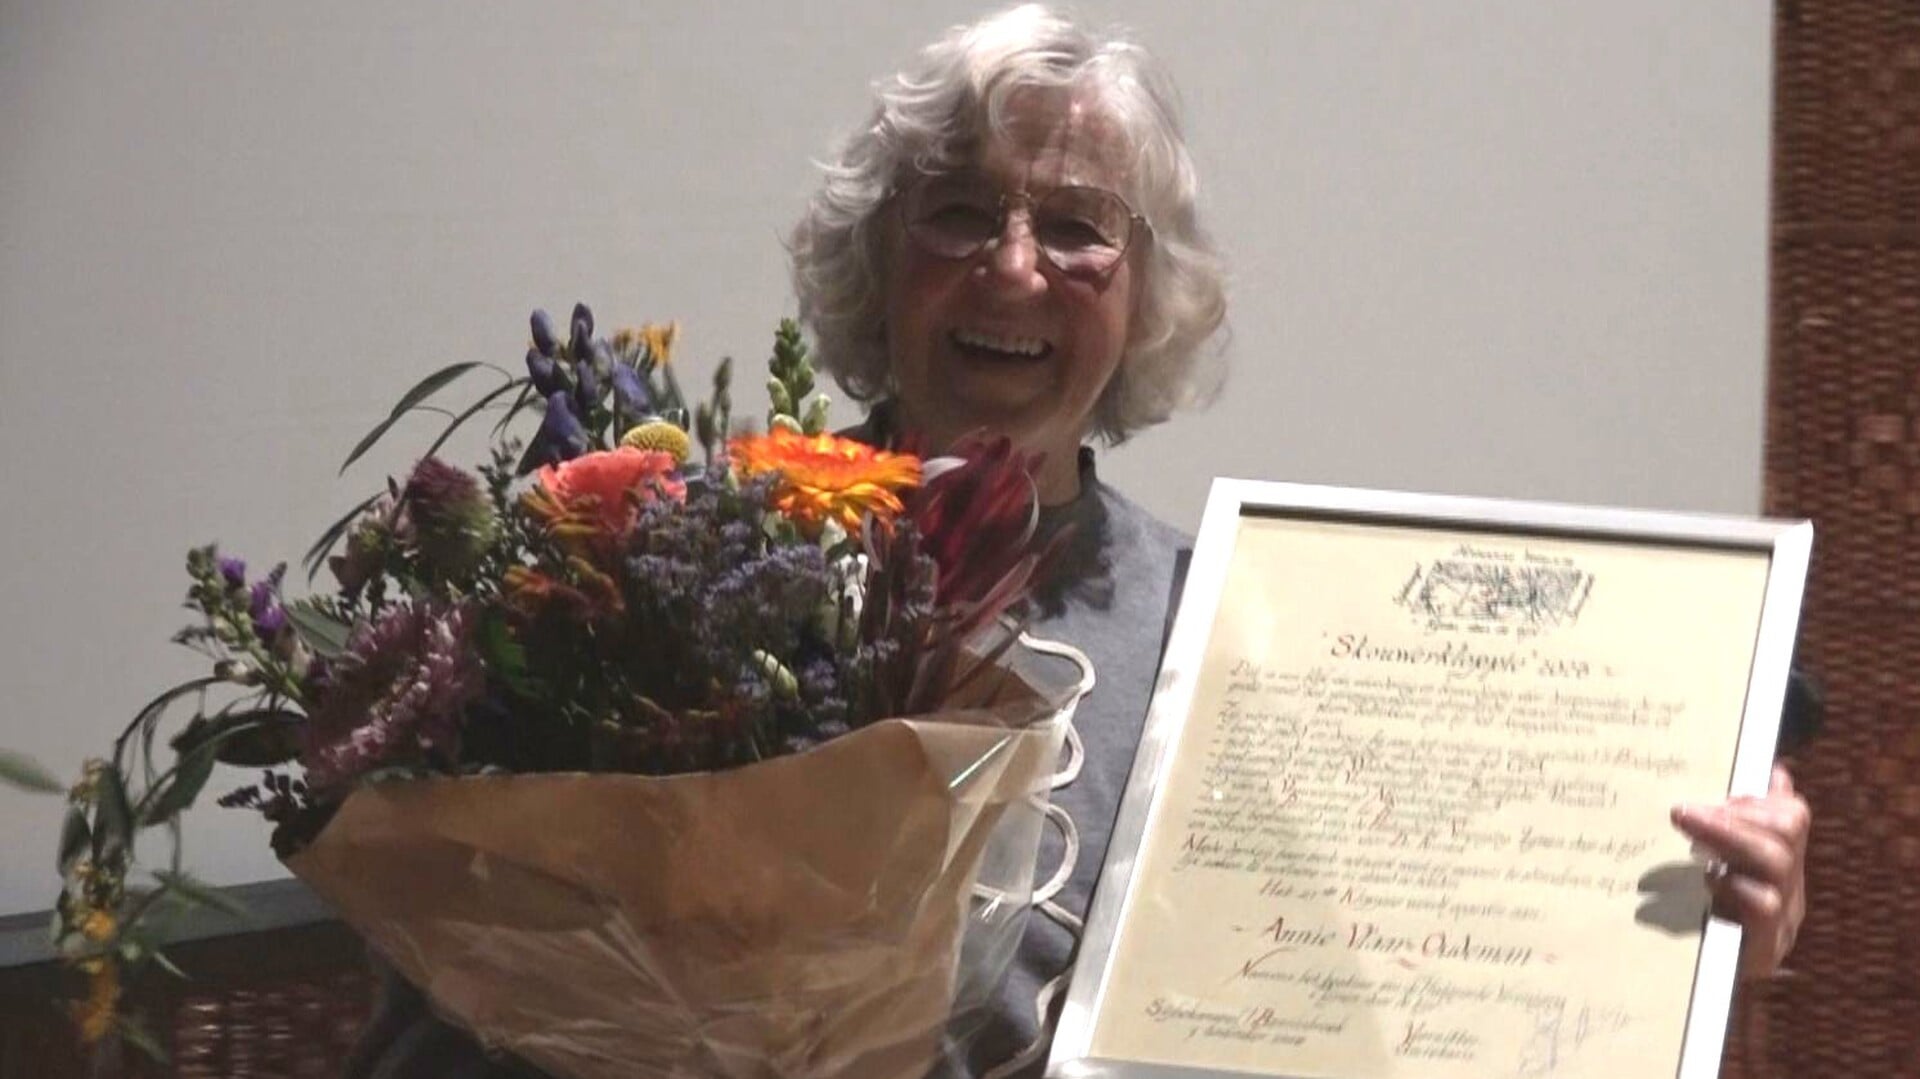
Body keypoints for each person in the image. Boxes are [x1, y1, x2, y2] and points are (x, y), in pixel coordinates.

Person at [350, 6, 1812, 1077]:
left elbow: (1407, 997)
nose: (1013, 267)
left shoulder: (1232, 628)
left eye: (1077, 227)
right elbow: (451, 995)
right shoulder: (657, 568)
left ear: (1144, 298)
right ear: (877, 255)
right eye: (962, 211)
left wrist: (1702, 919)